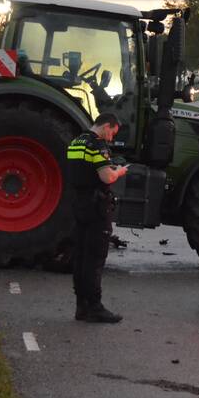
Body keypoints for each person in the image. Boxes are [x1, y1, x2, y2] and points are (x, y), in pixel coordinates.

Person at [66, 112, 129, 323]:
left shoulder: (76, 142)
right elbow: (106, 176)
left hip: (78, 204)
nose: (111, 138)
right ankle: (95, 306)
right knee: (95, 258)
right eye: (112, 132)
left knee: (81, 257)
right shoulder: (97, 145)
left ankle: (81, 306)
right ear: (106, 126)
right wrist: (119, 171)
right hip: (96, 208)